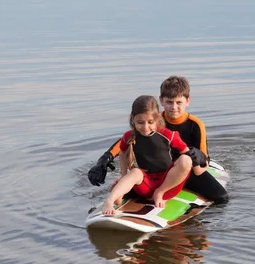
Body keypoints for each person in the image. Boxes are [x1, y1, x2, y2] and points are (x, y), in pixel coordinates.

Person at [89, 76, 229, 203]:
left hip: (186, 170)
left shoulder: (195, 124)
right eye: (169, 102)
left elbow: (205, 158)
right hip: (157, 172)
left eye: (178, 102)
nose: (174, 107)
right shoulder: (152, 120)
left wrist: (198, 156)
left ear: (187, 101)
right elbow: (126, 141)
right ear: (161, 100)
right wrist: (104, 159)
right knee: (123, 187)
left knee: (221, 198)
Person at [102, 95, 208, 215]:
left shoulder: (169, 135)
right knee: (136, 172)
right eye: (140, 122)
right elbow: (122, 153)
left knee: (185, 160)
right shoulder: (129, 136)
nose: (145, 127)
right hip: (146, 186)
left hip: (169, 186)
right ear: (133, 119)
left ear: (157, 119)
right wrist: (123, 176)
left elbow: (188, 153)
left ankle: (160, 192)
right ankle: (110, 200)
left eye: (150, 122)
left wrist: (198, 169)